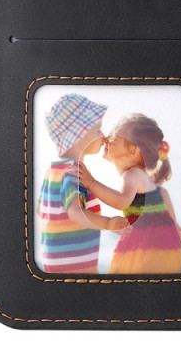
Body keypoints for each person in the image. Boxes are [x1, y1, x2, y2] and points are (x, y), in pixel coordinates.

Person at [79, 113, 181, 274]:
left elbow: (122, 202)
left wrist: (91, 183)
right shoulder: (146, 179)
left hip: (146, 248)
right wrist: (173, 225)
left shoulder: (132, 175)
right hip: (168, 248)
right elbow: (162, 193)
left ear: (133, 149)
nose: (107, 140)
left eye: (114, 138)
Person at [38, 93, 128, 273]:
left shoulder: (53, 172)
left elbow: (42, 212)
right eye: (97, 130)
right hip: (74, 262)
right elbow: (75, 212)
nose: (103, 136)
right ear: (78, 135)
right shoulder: (74, 173)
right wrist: (108, 223)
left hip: (56, 258)